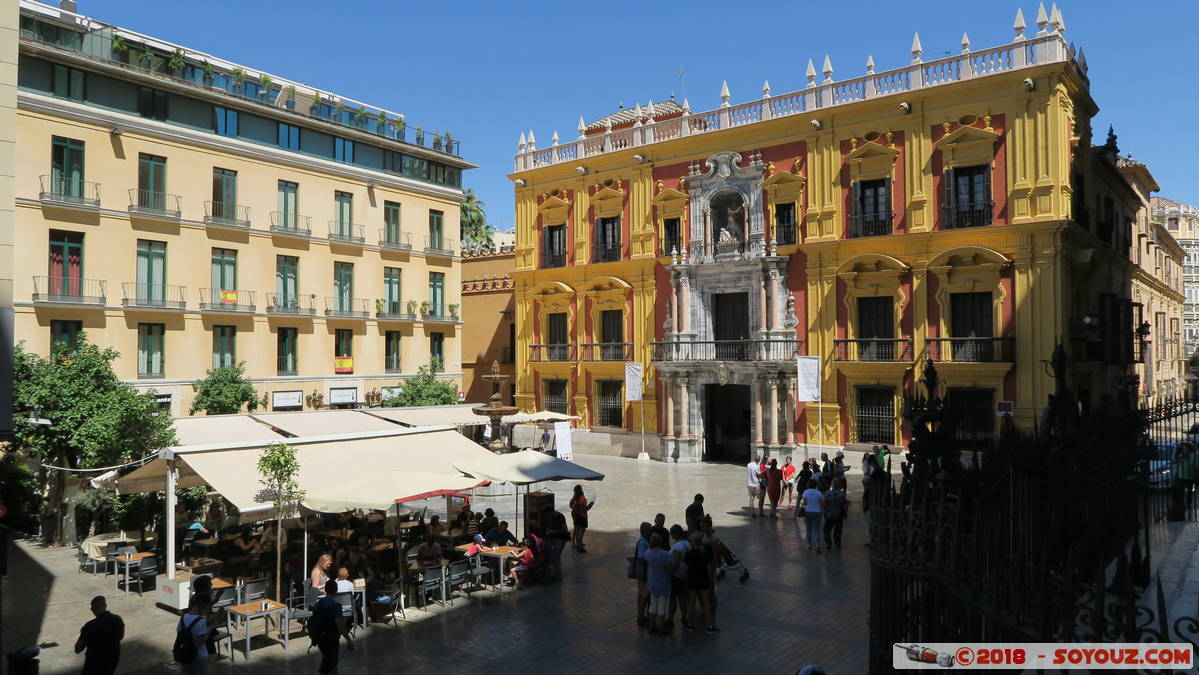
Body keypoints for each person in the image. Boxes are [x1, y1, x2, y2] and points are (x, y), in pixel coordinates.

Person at [309, 579, 354, 675]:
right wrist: (348, 640)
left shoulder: (318, 604)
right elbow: (340, 624)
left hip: (320, 638)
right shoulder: (336, 606)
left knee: (329, 659)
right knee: (331, 661)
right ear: (336, 590)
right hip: (331, 638)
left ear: (325, 590)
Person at [75, 595, 124, 675]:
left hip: (94, 664)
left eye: (91, 608)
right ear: (105, 606)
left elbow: (78, 649)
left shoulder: (90, 626)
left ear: (93, 609)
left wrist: (82, 633)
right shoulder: (118, 620)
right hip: (112, 661)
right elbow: (121, 637)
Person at [684, 532, 717, 633]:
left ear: (693, 542)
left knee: (691, 603)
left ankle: (690, 625)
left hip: (692, 580)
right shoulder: (705, 553)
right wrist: (711, 582)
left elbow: (686, 570)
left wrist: (686, 582)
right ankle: (710, 626)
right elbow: (709, 569)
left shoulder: (689, 554)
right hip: (703, 580)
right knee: (707, 604)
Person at [641, 533, 674, 635]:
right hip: (663, 582)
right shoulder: (665, 555)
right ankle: (661, 627)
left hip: (652, 581)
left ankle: (652, 626)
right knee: (662, 605)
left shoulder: (648, 553)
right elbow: (670, 568)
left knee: (653, 604)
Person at [666, 524, 692, 631]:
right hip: (685, 576)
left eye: (672, 535)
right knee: (683, 599)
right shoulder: (687, 543)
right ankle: (684, 618)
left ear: (675, 534)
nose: (672, 537)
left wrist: (669, 572)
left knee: (673, 599)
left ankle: (670, 620)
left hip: (676, 577)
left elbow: (676, 562)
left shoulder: (678, 547)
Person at [176, 595, 210, 674]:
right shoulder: (201, 621)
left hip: (184, 654)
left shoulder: (183, 617)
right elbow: (200, 641)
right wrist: (211, 627)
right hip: (199, 656)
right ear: (202, 606)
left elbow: (179, 633)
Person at [633, 522, 651, 625]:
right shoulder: (642, 543)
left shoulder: (643, 541)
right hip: (643, 572)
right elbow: (641, 557)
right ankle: (640, 617)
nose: (651, 532)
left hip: (643, 571)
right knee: (644, 595)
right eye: (649, 530)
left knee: (641, 594)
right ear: (645, 531)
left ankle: (641, 615)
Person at [799, 479, 824, 552]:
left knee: (808, 529)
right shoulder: (819, 493)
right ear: (816, 485)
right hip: (817, 512)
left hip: (808, 512)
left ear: (808, 485)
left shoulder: (806, 492)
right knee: (817, 529)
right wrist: (822, 511)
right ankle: (817, 545)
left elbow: (804, 503)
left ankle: (809, 545)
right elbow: (821, 503)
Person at [569, 485, 596, 553]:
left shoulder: (574, 498)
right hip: (582, 516)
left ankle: (574, 543)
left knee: (576, 530)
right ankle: (579, 547)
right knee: (581, 532)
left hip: (575, 515)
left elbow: (570, 506)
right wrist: (591, 504)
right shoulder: (583, 499)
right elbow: (585, 509)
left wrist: (575, 508)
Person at [823, 477, 848, 550]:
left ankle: (828, 542)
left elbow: (824, 503)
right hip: (839, 514)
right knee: (838, 530)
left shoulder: (828, 493)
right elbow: (844, 504)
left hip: (830, 514)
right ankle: (837, 543)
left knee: (827, 529)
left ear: (832, 485)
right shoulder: (842, 494)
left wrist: (825, 511)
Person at [546, 510, 570, 580]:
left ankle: (557, 575)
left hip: (560, 539)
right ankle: (554, 573)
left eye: (548, 515)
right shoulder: (553, 517)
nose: (547, 517)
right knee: (554, 557)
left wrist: (552, 531)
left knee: (556, 557)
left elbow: (564, 529)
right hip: (555, 539)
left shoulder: (559, 517)